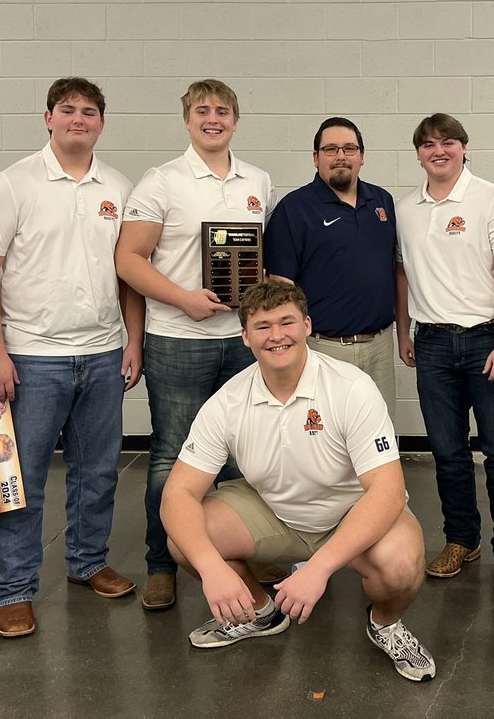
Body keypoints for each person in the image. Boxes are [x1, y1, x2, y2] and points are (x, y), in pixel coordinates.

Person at [161, 280, 435, 682]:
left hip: (351, 515)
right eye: (263, 326)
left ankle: (385, 624)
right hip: (276, 514)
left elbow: (388, 491)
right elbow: (178, 494)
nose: (276, 336)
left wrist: (317, 569)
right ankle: (259, 613)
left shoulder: (351, 388)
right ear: (245, 337)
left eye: (286, 322)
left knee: (401, 567)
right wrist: (211, 568)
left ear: (307, 326)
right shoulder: (227, 401)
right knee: (185, 540)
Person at [0, 77, 143, 638]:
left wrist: (132, 341)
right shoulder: (14, 184)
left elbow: (129, 273)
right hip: (29, 359)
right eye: (67, 110)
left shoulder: (117, 185)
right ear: (48, 118)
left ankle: (87, 562)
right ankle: (14, 590)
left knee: (97, 473)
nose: (78, 119)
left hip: (101, 355)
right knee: (19, 480)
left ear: (101, 124)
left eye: (89, 112)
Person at [115, 79, 275, 611]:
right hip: (177, 339)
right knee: (171, 455)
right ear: (187, 121)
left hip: (239, 341)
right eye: (202, 111)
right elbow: (129, 259)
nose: (213, 119)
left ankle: (232, 556)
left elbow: (259, 260)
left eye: (223, 111)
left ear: (236, 119)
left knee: (239, 457)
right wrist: (184, 299)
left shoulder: (259, 180)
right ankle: (162, 563)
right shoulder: (161, 181)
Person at [394, 113, 494, 595]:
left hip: (485, 340)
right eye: (428, 144)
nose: (439, 151)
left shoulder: (492, 199)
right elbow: (403, 273)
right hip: (430, 344)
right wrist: (402, 330)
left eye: (448, 142)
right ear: (418, 154)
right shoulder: (406, 208)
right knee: (448, 454)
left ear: (464, 148)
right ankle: (461, 539)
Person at [264, 117, 397, 413]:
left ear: (361, 156)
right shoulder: (294, 209)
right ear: (315, 158)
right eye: (330, 149)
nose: (341, 156)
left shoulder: (382, 202)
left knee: (380, 438)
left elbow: (393, 270)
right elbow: (280, 287)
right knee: (323, 439)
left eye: (349, 148)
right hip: (322, 348)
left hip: (379, 346)